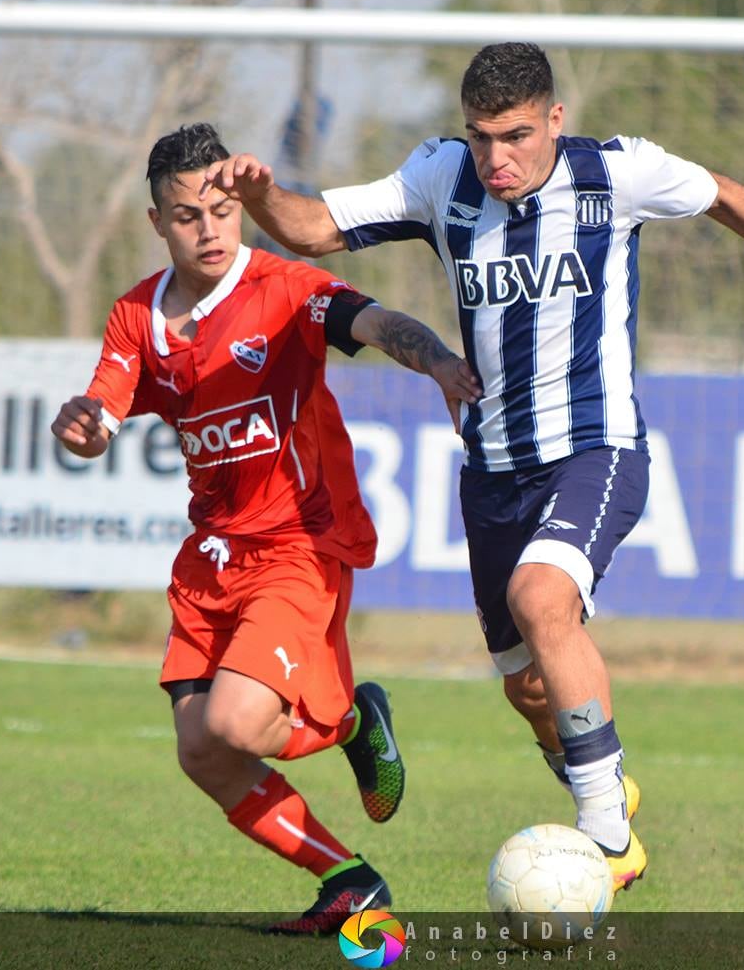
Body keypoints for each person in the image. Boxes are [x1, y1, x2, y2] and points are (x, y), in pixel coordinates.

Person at [202, 42, 744, 890]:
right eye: (481, 137)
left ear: (556, 120)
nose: (497, 158)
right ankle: (600, 781)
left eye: (517, 136)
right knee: (526, 688)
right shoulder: (440, 179)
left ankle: (607, 839)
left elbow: (727, 199)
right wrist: (263, 195)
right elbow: (313, 228)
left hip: (595, 447)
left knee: (543, 598)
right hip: (493, 469)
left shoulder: (617, 174)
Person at [50, 123, 480, 934]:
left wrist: (437, 364)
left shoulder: (284, 288)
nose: (208, 228)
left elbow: (374, 320)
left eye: (220, 208)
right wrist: (84, 427)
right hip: (213, 556)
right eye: (186, 215)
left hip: (300, 542)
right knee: (202, 750)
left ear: (240, 205)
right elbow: (102, 405)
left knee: (236, 723)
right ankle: (350, 881)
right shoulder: (136, 315)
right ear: (157, 222)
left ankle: (352, 718)